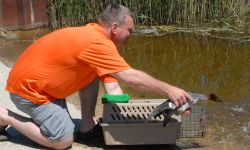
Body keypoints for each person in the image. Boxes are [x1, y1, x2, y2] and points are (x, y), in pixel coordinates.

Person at [0, 4, 192, 149]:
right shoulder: (96, 43)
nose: (131, 35)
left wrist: (127, 124)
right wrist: (170, 90)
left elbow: (114, 89)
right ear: (115, 28)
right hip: (28, 91)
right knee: (62, 140)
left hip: (48, 88)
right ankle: (5, 116)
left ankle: (86, 129)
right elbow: (130, 77)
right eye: (130, 30)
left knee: (92, 71)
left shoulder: (96, 38)